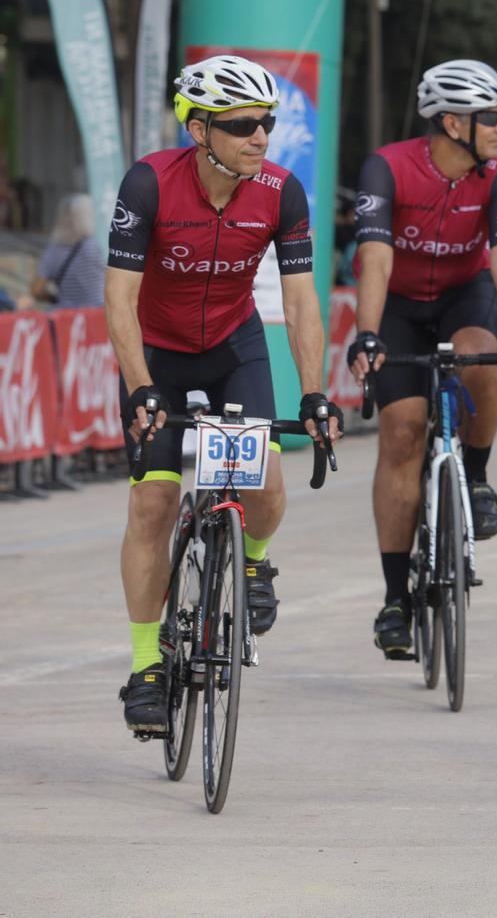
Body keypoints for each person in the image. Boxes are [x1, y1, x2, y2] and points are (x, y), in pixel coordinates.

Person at [107, 55, 343, 734]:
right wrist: (140, 386)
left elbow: (299, 303)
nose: (260, 136)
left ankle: (255, 563)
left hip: (233, 347)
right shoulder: (149, 183)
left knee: (267, 482)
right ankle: (147, 664)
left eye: (266, 122)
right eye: (242, 125)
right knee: (153, 500)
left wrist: (315, 393)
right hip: (159, 353)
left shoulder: (280, 191)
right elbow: (118, 296)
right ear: (200, 129)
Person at [346, 59, 497, 659]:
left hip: (465, 293)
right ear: (454, 123)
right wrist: (366, 334)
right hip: (398, 304)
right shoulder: (386, 167)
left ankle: (479, 479)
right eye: (493, 117)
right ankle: (393, 599)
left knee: (480, 356)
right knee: (402, 432)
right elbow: (376, 259)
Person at [32, 193, 106, 309]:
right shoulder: (92, 247)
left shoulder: (53, 252)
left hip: (68, 317)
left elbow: (36, 290)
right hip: (97, 312)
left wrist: (53, 298)